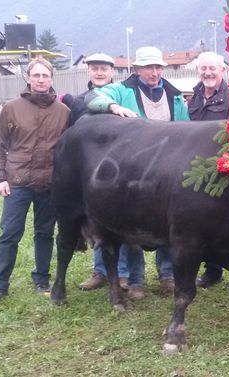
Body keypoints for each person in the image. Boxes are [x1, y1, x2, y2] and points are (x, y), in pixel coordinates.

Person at [86, 46, 189, 299]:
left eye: (158, 67)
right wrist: (112, 106)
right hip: (133, 170)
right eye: (148, 67)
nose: (154, 72)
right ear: (137, 69)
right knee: (133, 224)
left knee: (169, 222)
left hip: (169, 171)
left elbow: (187, 129)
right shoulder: (122, 90)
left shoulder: (175, 96)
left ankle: (167, 276)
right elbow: (92, 98)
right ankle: (136, 280)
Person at [0, 57, 70, 304]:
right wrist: (0, 178)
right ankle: (0, 285)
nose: (41, 80)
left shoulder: (63, 112)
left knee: (44, 234)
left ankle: (42, 279)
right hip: (17, 182)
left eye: (45, 76)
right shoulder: (12, 108)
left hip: (49, 185)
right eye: (37, 75)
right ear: (29, 78)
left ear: (52, 79)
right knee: (9, 234)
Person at [59, 53, 135, 291]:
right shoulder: (79, 101)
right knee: (95, 221)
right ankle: (100, 271)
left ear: (112, 71)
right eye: (95, 69)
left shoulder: (122, 97)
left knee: (123, 222)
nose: (99, 73)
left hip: (120, 171)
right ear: (88, 71)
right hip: (90, 173)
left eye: (104, 68)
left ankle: (123, 274)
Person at [188, 51, 229, 292]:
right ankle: (213, 270)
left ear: (223, 71)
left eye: (213, 69)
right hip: (197, 168)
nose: (208, 73)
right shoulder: (194, 97)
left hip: (223, 167)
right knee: (203, 221)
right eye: (203, 69)